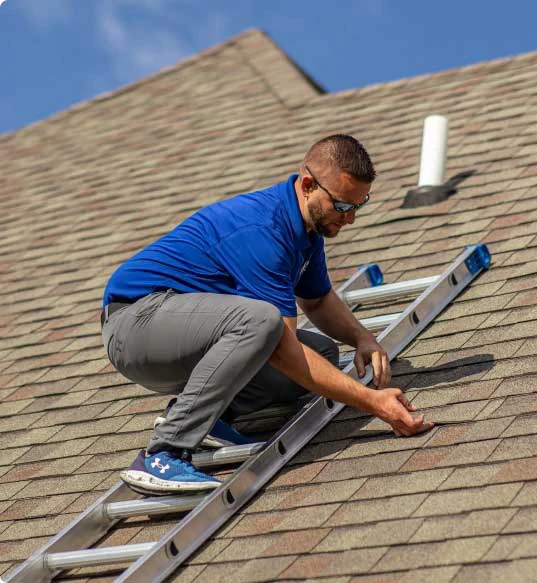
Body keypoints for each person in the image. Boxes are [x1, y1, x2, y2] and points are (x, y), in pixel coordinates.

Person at [100, 134, 434, 495]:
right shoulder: (264, 229)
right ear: (308, 185)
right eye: (341, 205)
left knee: (323, 353)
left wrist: (361, 337)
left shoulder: (304, 232)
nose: (350, 218)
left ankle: (211, 419)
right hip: (136, 324)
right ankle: (163, 453)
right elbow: (281, 347)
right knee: (263, 322)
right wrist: (372, 403)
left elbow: (318, 300)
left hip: (175, 332)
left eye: (358, 206)